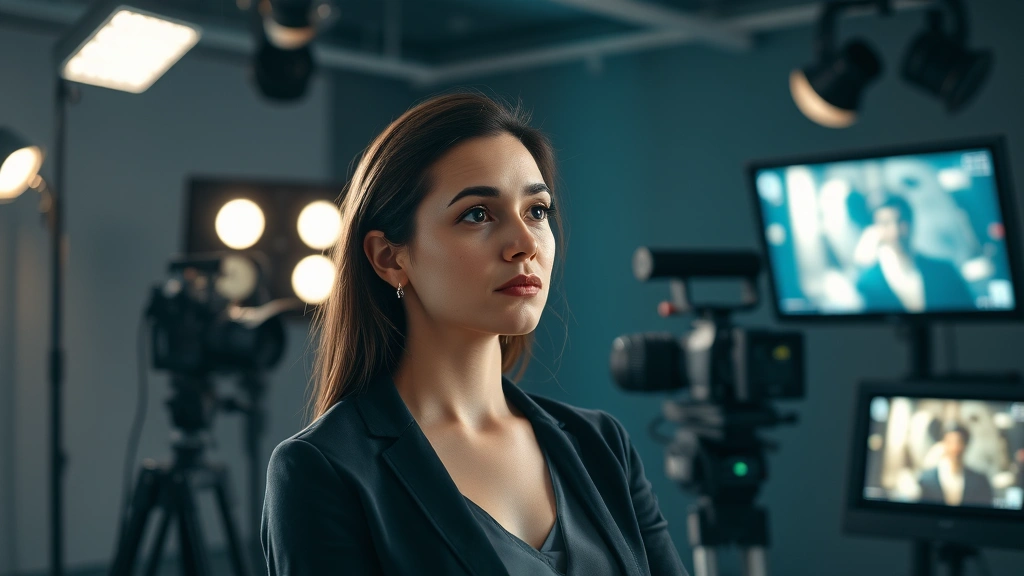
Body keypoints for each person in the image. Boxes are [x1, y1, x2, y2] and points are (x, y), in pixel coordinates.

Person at [260, 92, 688, 576]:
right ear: (389, 257)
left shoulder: (602, 445)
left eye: (537, 211)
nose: (524, 244)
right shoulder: (322, 469)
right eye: (478, 214)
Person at [855, 195, 975, 313]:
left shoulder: (944, 271)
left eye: (900, 221)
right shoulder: (867, 284)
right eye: (885, 224)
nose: (895, 231)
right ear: (875, 228)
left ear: (911, 221)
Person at [918, 425, 993, 507]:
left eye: (959, 442)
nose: (955, 448)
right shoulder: (927, 479)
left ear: (965, 445)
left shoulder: (979, 481)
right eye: (950, 442)